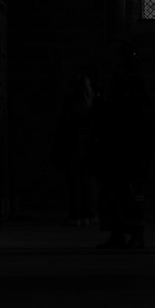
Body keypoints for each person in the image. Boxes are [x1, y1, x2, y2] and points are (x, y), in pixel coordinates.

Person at [92, 41, 155, 251]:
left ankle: (137, 234)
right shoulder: (116, 83)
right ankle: (117, 234)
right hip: (116, 147)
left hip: (132, 149)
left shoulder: (134, 84)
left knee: (133, 194)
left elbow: (144, 117)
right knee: (114, 193)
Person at [51, 68, 98, 225]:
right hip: (89, 146)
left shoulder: (71, 104)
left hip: (73, 146)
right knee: (88, 181)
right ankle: (89, 214)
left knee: (75, 182)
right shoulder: (93, 104)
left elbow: (64, 126)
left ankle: (76, 215)